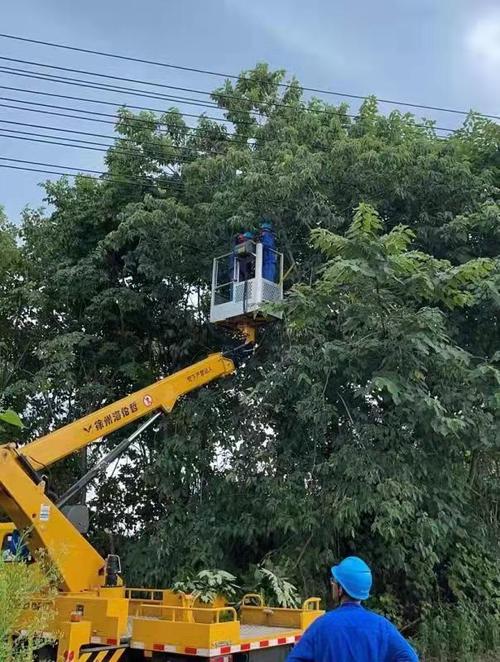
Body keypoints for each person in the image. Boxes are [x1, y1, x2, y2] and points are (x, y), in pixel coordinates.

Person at [287, 556, 419, 662]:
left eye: (334, 581)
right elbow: (410, 658)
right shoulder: (382, 627)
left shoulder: (321, 626)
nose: (331, 584)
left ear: (341, 589)